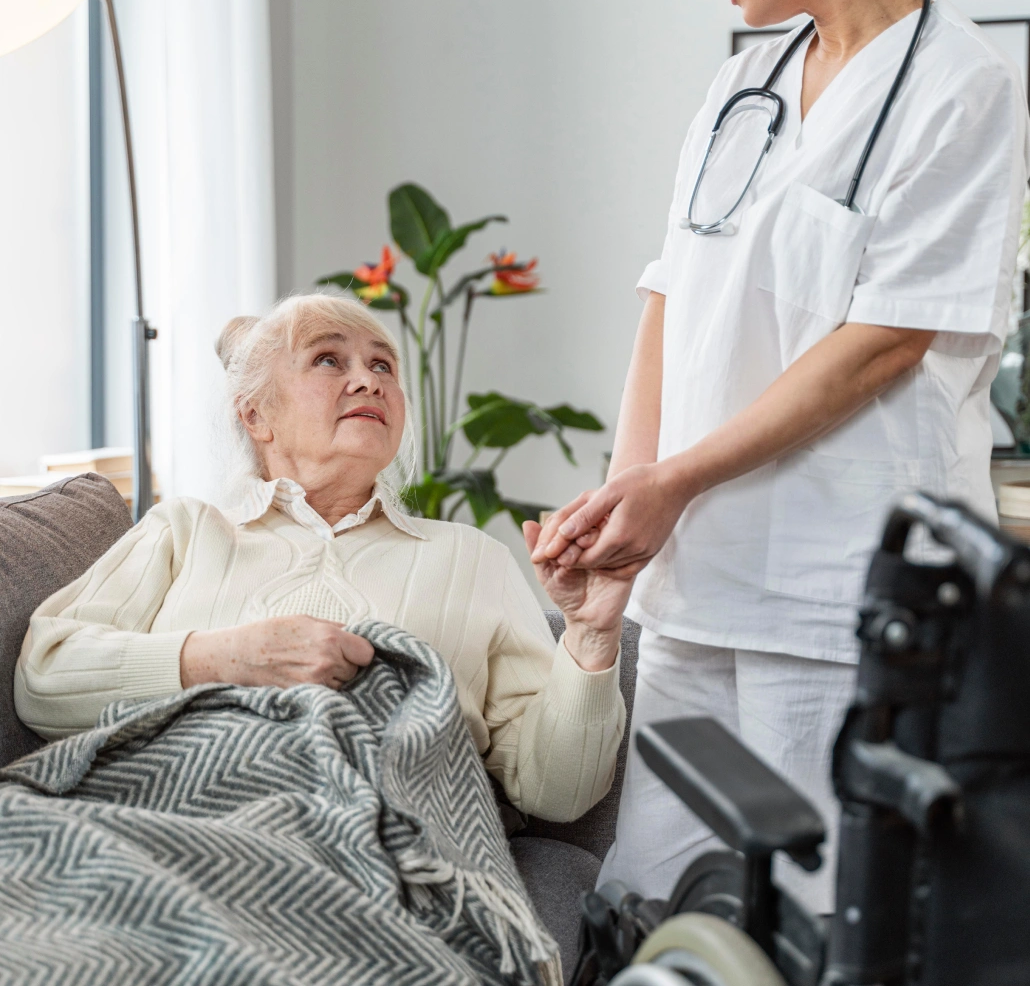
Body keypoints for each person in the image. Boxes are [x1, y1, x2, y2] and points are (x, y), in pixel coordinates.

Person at [530, 0, 1030, 910]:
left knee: (817, 911)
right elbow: (670, 298)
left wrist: (669, 486)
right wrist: (622, 511)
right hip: (693, 575)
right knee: (656, 900)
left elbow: (885, 340)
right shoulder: (740, 88)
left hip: (832, 586)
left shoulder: (961, 87)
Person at [16, 292, 628, 824]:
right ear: (256, 414)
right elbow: (44, 677)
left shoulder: (472, 559)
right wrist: (231, 658)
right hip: (161, 824)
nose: (369, 381)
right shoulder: (184, 529)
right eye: (328, 359)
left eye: (382, 365)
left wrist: (591, 636)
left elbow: (557, 793)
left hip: (372, 850)